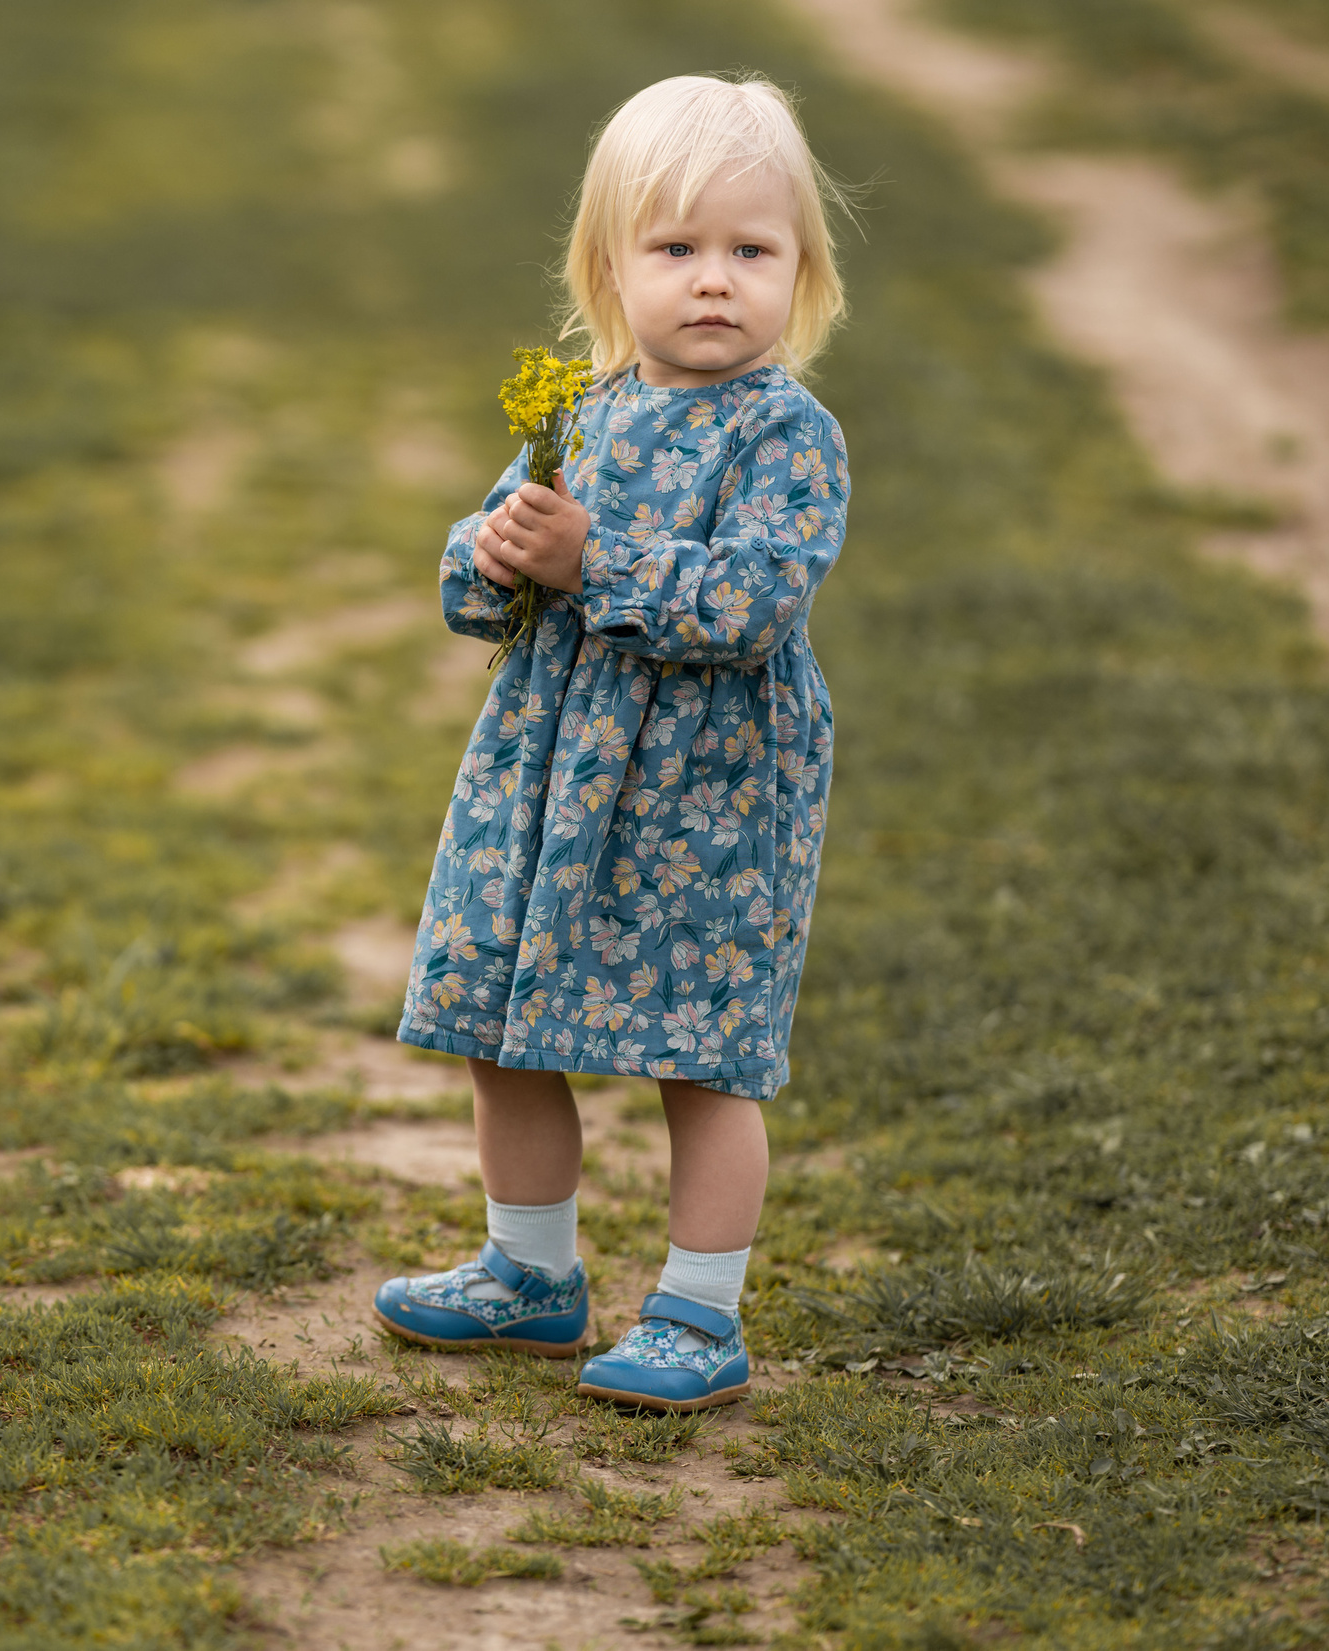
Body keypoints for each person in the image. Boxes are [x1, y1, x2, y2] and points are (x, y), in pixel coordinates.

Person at [374, 74, 850, 1411]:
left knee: (701, 1051)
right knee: (507, 1029)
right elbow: (484, 597)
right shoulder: (577, 412)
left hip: (708, 793)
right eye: (677, 249)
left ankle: (700, 1311)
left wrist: (599, 562)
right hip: (546, 779)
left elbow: (751, 604)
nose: (715, 283)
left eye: (751, 252)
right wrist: (495, 549)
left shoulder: (787, 434)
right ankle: (530, 1276)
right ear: (608, 269)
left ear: (799, 272)